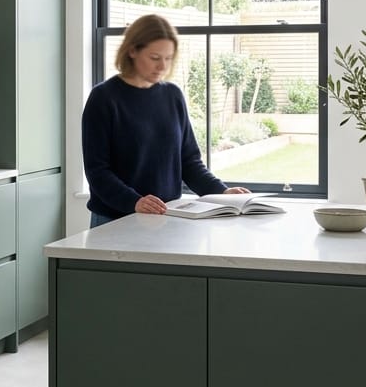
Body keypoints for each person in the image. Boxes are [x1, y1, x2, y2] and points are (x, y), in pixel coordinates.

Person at [82, 13, 249, 228]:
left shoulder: (173, 95)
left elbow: (189, 162)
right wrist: (135, 202)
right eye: (155, 57)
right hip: (114, 220)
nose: (162, 66)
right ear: (132, 50)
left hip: (168, 218)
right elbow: (98, 171)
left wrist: (222, 192)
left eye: (168, 58)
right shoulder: (104, 98)